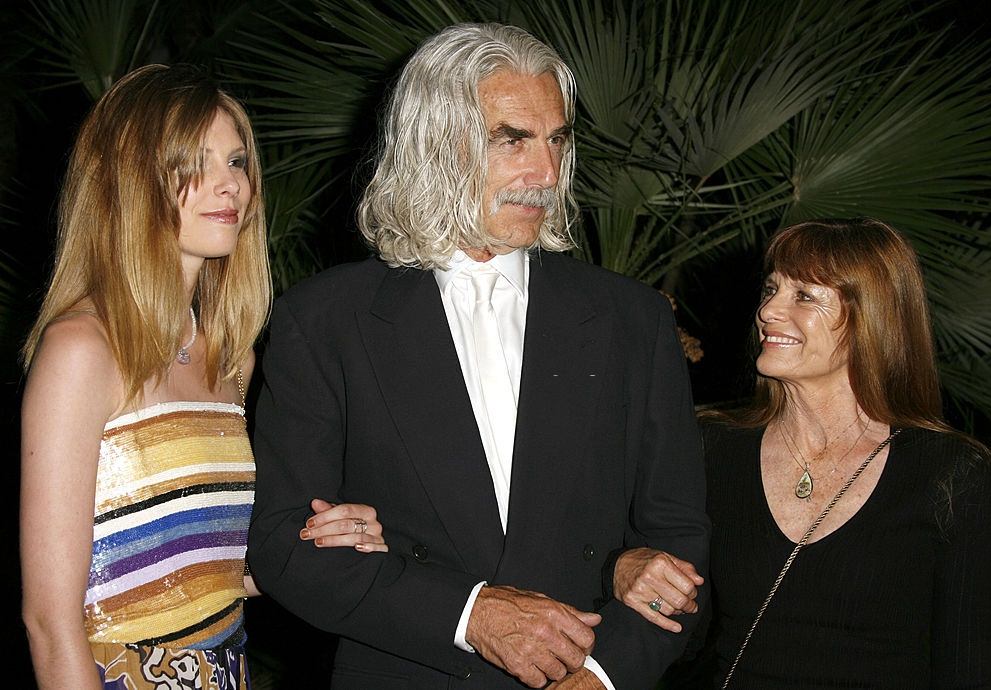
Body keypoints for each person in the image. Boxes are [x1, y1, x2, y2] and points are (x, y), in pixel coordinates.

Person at [247, 22, 710, 690]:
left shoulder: (631, 319)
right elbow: (284, 545)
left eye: (556, 139)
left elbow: (679, 536)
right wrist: (468, 616)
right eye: (512, 139)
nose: (546, 172)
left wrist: (605, 674)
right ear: (434, 144)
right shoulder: (325, 320)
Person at [20, 64, 385, 690]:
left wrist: (315, 547)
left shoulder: (230, 361)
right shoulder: (82, 351)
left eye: (237, 162)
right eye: (195, 163)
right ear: (129, 182)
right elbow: (51, 624)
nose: (230, 186)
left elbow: (210, 574)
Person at [616, 218, 991, 687]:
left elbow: (965, 664)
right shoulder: (711, 445)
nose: (768, 310)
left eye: (805, 296)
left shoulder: (949, 470)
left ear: (872, 320)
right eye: (772, 289)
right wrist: (622, 568)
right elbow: (684, 633)